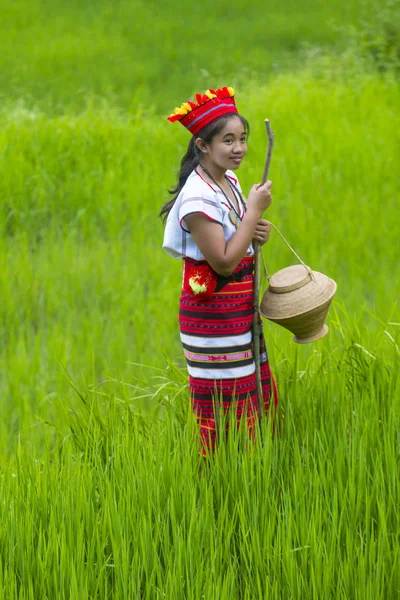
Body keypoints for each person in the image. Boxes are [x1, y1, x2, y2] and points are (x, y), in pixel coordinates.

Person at [161, 86, 278, 455]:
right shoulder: (197, 198)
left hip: (238, 309)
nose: (239, 148)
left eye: (242, 138)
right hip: (212, 317)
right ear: (202, 145)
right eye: (228, 140)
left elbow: (237, 238)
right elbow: (224, 261)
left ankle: (254, 469)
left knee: (251, 391)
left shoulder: (229, 181)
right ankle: (217, 483)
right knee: (224, 403)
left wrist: (256, 231)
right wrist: (255, 211)